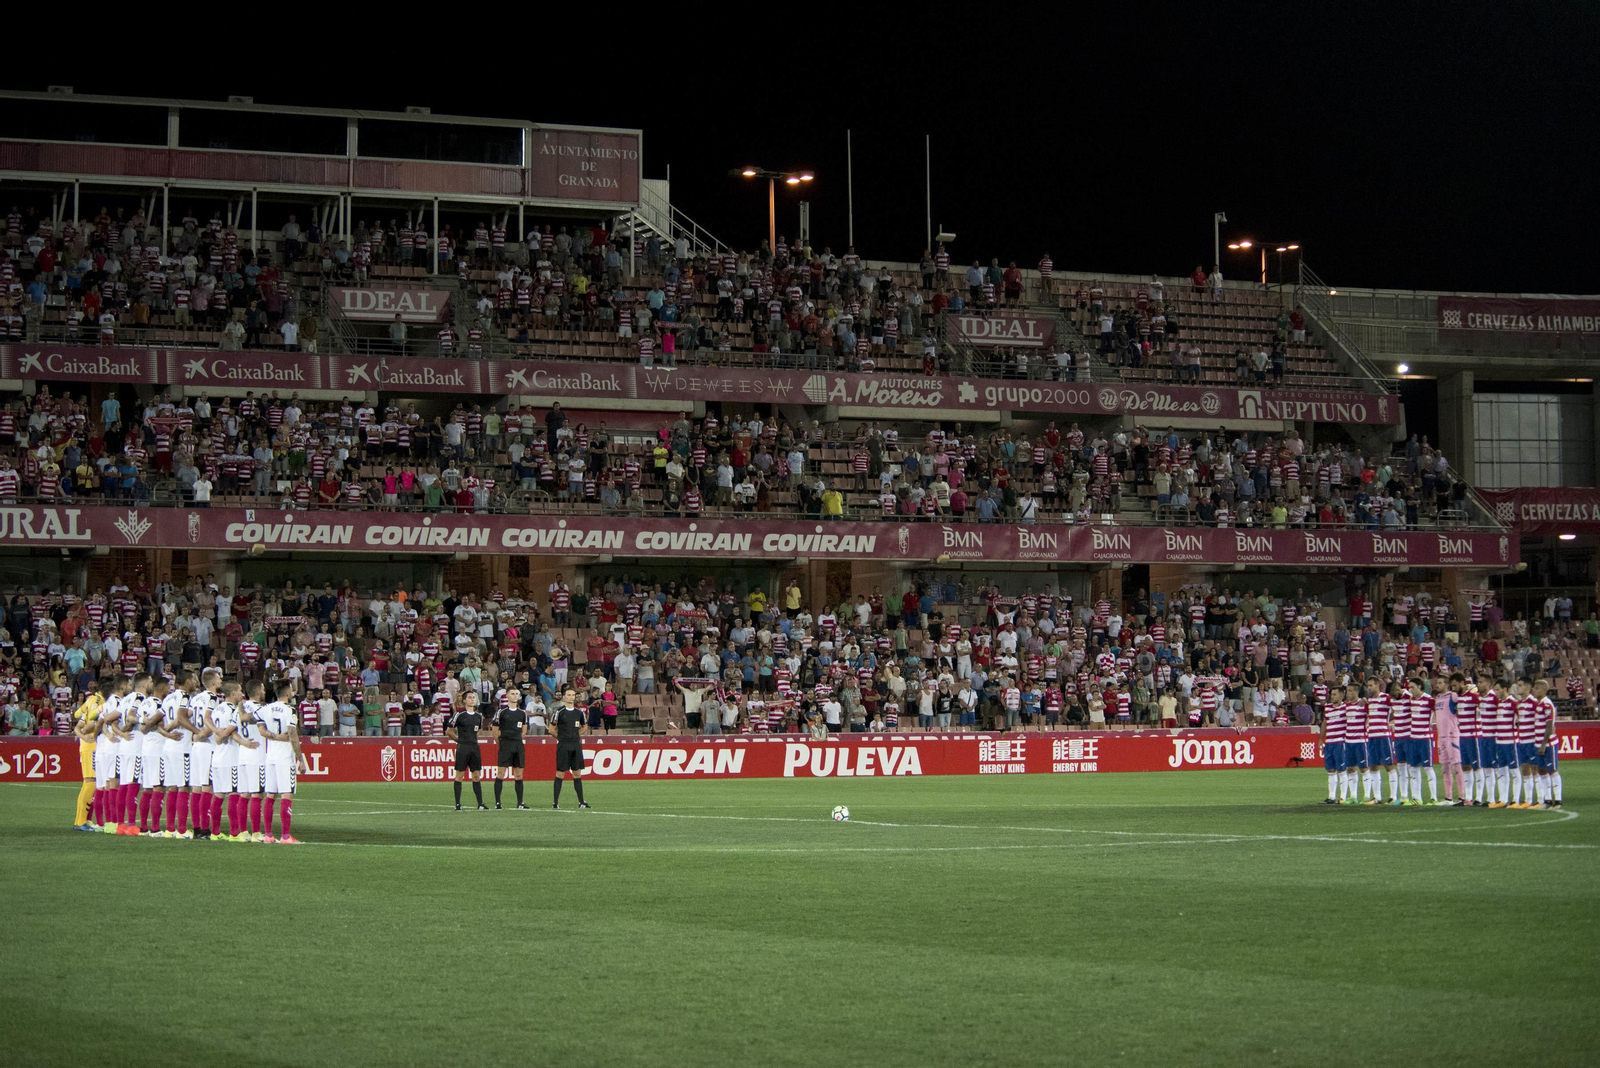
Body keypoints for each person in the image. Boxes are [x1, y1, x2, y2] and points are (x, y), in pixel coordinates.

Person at [256, 681, 302, 843]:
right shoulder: (290, 710)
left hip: (270, 757)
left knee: (270, 795)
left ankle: (268, 835)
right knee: (286, 795)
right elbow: (292, 735)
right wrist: (300, 759)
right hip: (284, 758)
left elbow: (261, 730)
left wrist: (274, 737)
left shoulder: (265, 709)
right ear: (287, 692)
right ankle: (285, 836)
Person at [233, 680, 269, 841]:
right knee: (257, 794)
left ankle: (243, 832)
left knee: (244, 794)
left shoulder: (237, 710)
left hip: (242, 754)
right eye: (263, 689)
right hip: (257, 755)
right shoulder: (260, 710)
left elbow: (233, 730)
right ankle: (255, 833)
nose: (264, 691)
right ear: (258, 691)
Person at [448, 690, 487, 811]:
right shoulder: (459, 714)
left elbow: (478, 731)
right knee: (459, 775)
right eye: (470, 697)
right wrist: (458, 741)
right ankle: (458, 804)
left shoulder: (478, 716)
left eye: (473, 697)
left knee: (476, 775)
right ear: (464, 700)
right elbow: (449, 731)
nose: (472, 699)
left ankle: (480, 804)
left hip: (474, 747)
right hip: (463, 747)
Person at [552, 688, 590, 809]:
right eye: (569, 695)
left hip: (575, 744)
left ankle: (581, 802)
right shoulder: (559, 712)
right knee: (560, 773)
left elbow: (585, 726)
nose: (571, 697)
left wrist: (576, 735)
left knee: (577, 773)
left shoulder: (579, 713)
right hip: (563, 744)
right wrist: (561, 738)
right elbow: (551, 729)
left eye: (573, 695)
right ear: (564, 697)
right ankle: (555, 802)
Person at [492, 688, 529, 810]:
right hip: (505, 744)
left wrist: (516, 739)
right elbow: (495, 731)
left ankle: (520, 803)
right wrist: (501, 744)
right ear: (507, 696)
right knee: (501, 774)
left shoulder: (522, 713)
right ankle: (498, 802)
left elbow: (524, 731)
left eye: (516, 694)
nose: (514, 696)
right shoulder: (501, 712)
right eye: (512, 694)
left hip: (518, 744)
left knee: (519, 775)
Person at [1321, 686, 1347, 804]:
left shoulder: (1346, 708)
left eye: (1335, 694)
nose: (1332, 696)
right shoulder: (1327, 708)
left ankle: (1343, 797)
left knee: (1341, 770)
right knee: (1330, 770)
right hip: (1329, 742)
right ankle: (1331, 796)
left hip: (1340, 742)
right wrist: (1321, 738)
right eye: (1331, 694)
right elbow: (1325, 723)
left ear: (1341, 695)